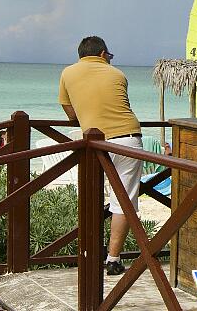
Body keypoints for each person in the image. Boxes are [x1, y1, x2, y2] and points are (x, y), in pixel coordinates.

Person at [58, 36, 143, 276]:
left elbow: (70, 113)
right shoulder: (118, 75)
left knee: (92, 196)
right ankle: (113, 259)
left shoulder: (68, 73)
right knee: (124, 202)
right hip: (128, 139)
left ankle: (89, 253)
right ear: (103, 54)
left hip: (96, 143)